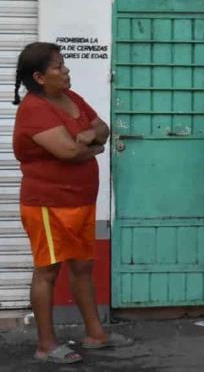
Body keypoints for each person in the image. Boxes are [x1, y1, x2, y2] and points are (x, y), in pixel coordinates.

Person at [12, 42, 133, 364]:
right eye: (58, 67)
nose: (66, 71)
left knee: (82, 266)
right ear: (39, 76)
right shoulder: (34, 109)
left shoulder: (72, 98)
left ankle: (96, 334)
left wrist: (92, 137)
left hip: (80, 200)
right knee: (48, 270)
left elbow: (103, 128)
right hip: (48, 204)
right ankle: (46, 345)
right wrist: (92, 146)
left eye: (64, 65)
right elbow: (67, 151)